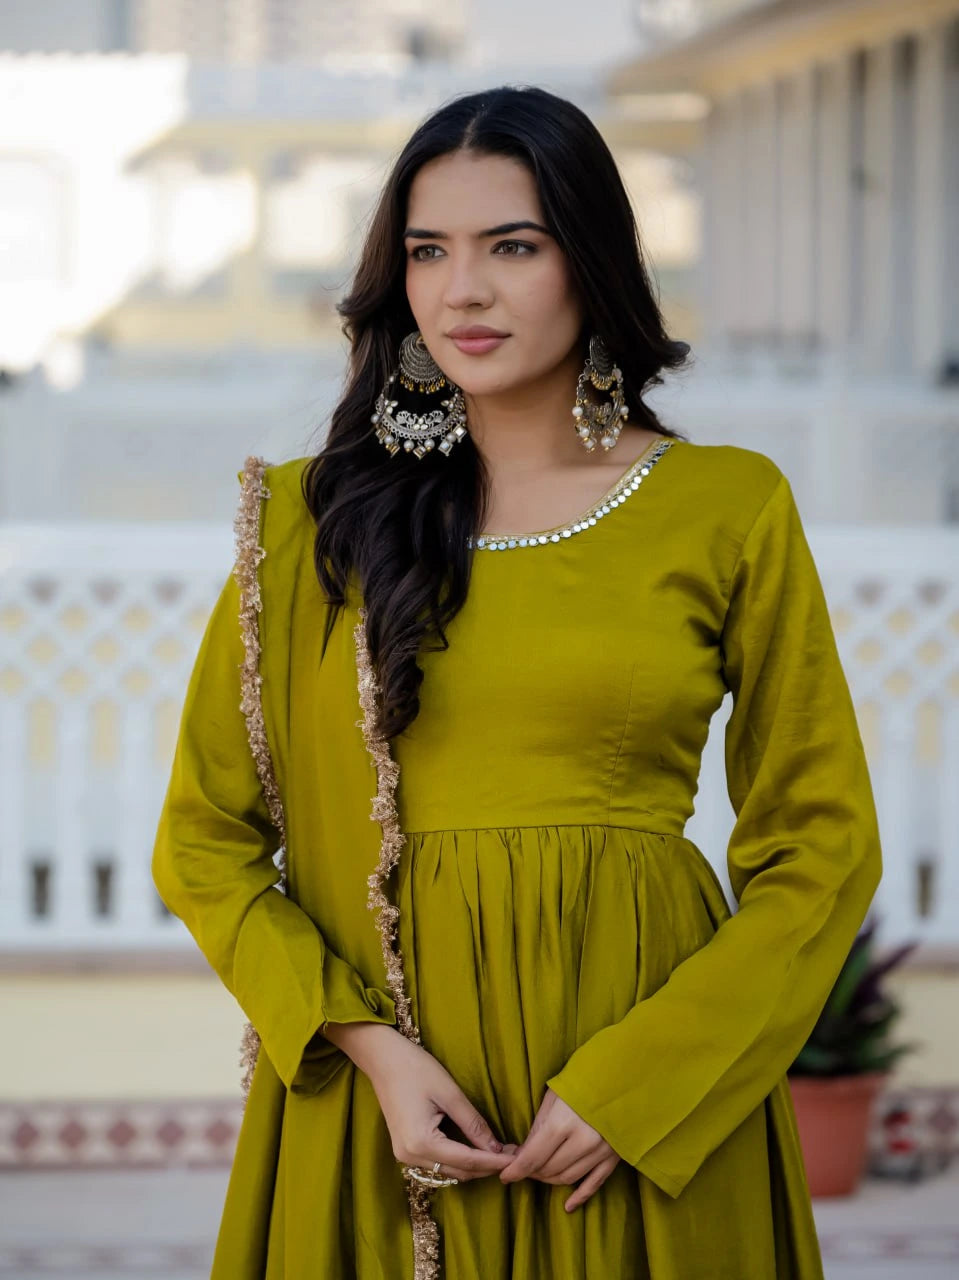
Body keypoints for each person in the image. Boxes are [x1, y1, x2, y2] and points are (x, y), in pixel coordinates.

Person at [152, 84, 882, 1279]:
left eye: (512, 246)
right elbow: (204, 841)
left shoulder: (723, 505)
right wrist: (371, 1050)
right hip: (381, 1122)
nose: (462, 291)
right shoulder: (309, 522)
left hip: (639, 1120)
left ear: (587, 262)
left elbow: (819, 841)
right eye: (428, 251)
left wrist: (643, 1083)